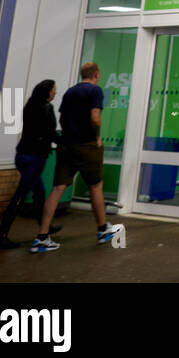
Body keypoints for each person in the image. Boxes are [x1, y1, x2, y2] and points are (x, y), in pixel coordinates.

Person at [31, 63, 120, 252]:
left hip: (67, 145)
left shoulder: (70, 92)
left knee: (57, 189)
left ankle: (42, 236)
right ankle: (103, 229)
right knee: (95, 186)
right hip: (87, 145)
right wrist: (96, 137)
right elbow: (95, 117)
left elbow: (62, 118)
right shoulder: (95, 91)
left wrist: (68, 135)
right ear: (96, 74)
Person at [0, 79, 62, 250]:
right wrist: (65, 142)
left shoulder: (29, 105)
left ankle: (44, 226)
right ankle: (1, 236)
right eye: (54, 90)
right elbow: (50, 132)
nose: (55, 93)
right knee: (20, 196)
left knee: (39, 191)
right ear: (47, 92)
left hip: (22, 155)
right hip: (35, 157)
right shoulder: (46, 108)